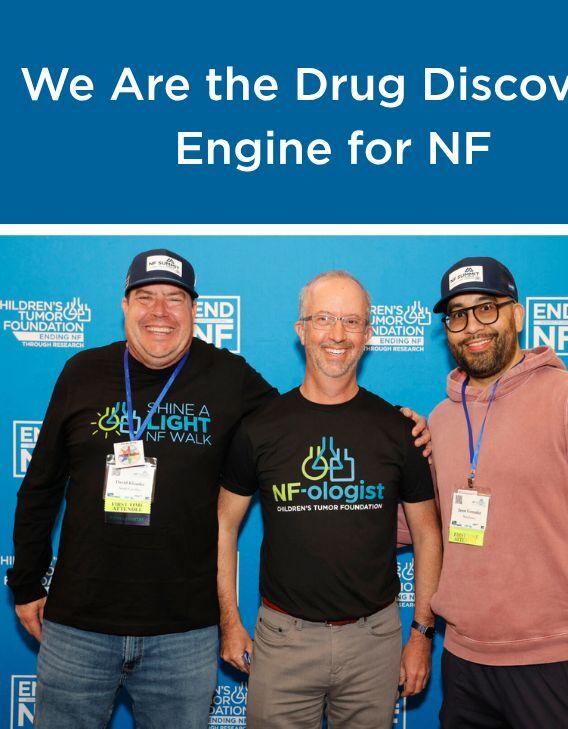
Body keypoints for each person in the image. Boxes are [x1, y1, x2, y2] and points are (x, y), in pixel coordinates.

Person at [8, 249, 429, 727]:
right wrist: (25, 582)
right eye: (146, 297)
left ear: (194, 310)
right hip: (77, 625)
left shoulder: (229, 378)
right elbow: (40, 485)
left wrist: (403, 427)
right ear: (124, 306)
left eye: (175, 299)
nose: (160, 312)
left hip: (182, 634)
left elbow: (306, 417)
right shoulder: (82, 372)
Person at [424, 256, 568, 726]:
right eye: (457, 315)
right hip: (464, 661)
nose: (472, 327)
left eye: (487, 308)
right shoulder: (440, 420)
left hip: (560, 659)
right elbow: (424, 526)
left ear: (517, 314)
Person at [216, 271, 442, 728]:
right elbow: (222, 524)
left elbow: (428, 533)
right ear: (301, 331)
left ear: (368, 334)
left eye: (351, 321)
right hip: (282, 640)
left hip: (374, 642)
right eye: (323, 319)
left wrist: (421, 633)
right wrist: (228, 621)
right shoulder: (259, 428)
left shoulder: (400, 431)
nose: (337, 334)